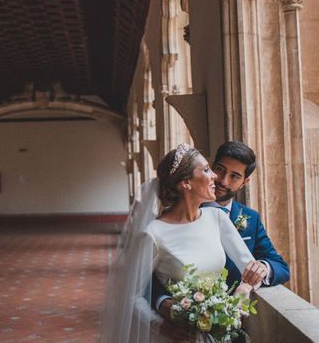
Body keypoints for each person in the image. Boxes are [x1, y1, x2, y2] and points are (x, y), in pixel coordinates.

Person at [99, 143, 266, 343]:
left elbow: (251, 269)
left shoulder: (217, 218)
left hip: (219, 336)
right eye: (206, 170)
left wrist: (244, 288)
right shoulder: (153, 233)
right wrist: (160, 325)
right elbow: (132, 296)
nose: (215, 176)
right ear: (186, 183)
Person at [152, 141, 290, 319]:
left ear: (244, 182)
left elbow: (280, 266)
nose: (222, 180)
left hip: (232, 321)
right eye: (219, 169)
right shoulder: (165, 223)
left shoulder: (250, 219)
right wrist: (165, 305)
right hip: (184, 320)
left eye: (234, 176)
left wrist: (257, 272)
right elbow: (149, 278)